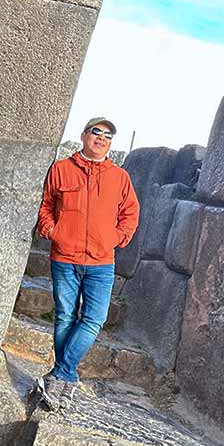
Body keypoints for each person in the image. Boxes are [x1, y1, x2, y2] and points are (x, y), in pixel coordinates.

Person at [33, 117, 139, 410]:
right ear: (84, 136)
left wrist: (116, 238)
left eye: (107, 135)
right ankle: (63, 383)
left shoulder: (120, 178)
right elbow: (46, 205)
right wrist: (52, 231)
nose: (101, 138)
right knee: (65, 317)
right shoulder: (61, 169)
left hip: (102, 261)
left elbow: (130, 213)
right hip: (64, 257)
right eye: (96, 132)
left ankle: (60, 374)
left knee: (94, 319)